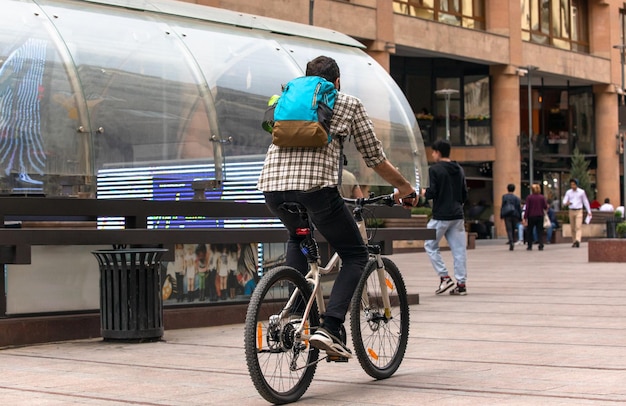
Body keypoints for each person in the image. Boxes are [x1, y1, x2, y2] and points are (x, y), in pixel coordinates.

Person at [257, 55, 417, 358]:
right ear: (337, 83)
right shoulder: (347, 102)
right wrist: (405, 188)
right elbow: (374, 159)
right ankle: (329, 327)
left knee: (298, 237)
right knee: (355, 255)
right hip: (316, 189)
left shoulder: (287, 99)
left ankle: (296, 316)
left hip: (272, 189)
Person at [420, 139, 468, 296]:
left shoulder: (435, 169)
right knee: (459, 250)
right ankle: (461, 284)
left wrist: (423, 193)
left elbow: (432, 193)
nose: (432, 155)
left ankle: (444, 277)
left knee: (430, 245)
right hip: (457, 215)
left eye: (433, 152)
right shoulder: (459, 169)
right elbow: (464, 194)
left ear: (438, 153)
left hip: (441, 215)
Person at [562, 178, 592, 248]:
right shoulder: (568, 192)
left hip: (579, 210)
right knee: (572, 227)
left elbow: (585, 201)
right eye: (571, 184)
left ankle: (578, 240)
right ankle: (574, 241)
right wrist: (566, 203)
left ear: (576, 185)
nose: (572, 186)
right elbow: (564, 201)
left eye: (574, 184)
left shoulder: (581, 192)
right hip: (571, 210)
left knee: (578, 226)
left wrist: (589, 211)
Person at [524, 184, 548, 251]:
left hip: (531, 216)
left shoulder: (529, 197)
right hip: (540, 215)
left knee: (530, 231)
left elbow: (527, 208)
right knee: (539, 231)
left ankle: (529, 245)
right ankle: (541, 244)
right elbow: (545, 207)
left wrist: (525, 217)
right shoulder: (542, 197)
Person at [500, 183, 522, 251]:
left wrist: (501, 215)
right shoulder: (517, 198)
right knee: (513, 229)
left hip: (507, 215)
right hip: (515, 215)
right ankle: (513, 239)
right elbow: (519, 208)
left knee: (509, 229)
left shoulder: (504, 197)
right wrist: (520, 217)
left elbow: (502, 206)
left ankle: (511, 241)